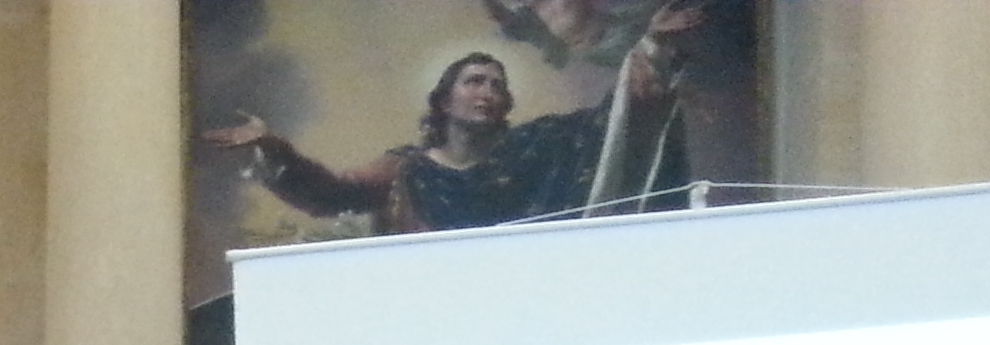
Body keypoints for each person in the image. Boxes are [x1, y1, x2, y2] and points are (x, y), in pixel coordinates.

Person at [199, 9, 705, 236]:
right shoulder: (407, 171)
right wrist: (275, 148)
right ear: (443, 101)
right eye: (474, 81)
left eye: (497, 85)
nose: (488, 92)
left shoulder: (541, 147)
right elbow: (333, 193)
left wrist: (652, 50)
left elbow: (614, 125)